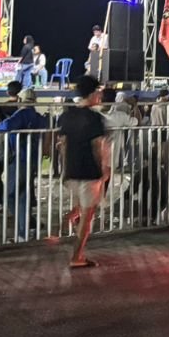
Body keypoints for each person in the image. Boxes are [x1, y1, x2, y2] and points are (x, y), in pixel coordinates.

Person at [56, 75, 109, 268]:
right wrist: (104, 169)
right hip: (89, 172)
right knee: (87, 217)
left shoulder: (67, 116)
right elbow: (97, 146)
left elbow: (63, 145)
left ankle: (64, 224)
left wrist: (64, 169)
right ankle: (77, 256)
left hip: (72, 170)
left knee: (80, 207)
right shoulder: (95, 118)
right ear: (93, 93)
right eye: (99, 92)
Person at [0, 89, 48, 242]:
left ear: (20, 100)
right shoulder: (38, 117)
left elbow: (7, 125)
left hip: (19, 159)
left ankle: (24, 230)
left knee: (12, 195)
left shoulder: (21, 114)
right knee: (22, 195)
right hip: (33, 160)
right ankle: (26, 228)